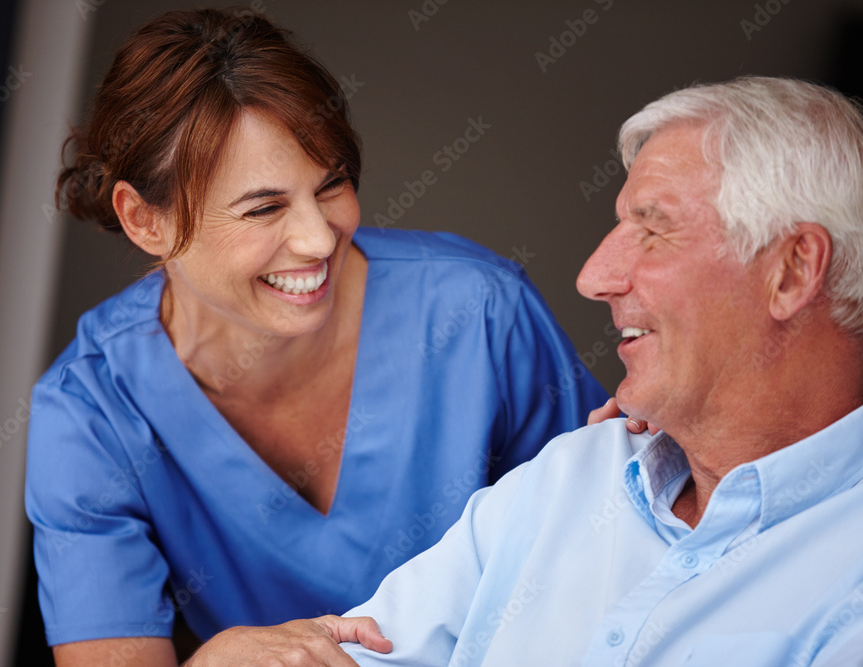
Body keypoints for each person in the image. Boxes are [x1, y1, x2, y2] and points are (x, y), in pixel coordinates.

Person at [193, 76, 863, 665]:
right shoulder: (575, 473)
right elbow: (366, 656)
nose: (593, 277)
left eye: (653, 232)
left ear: (793, 269)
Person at [24, 8, 608, 665]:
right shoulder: (89, 412)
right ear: (145, 220)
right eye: (265, 208)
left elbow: (608, 562)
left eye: (331, 185)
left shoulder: (479, 314)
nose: (317, 237)